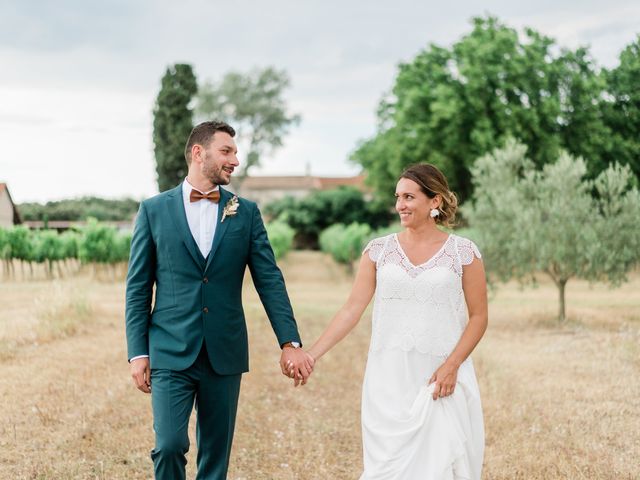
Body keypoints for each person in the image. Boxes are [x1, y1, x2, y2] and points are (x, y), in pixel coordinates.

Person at [125, 120, 313, 480]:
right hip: (169, 348)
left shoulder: (246, 212)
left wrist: (290, 342)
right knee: (167, 445)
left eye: (235, 152)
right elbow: (137, 288)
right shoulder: (153, 210)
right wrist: (138, 352)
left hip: (224, 352)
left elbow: (269, 281)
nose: (235, 160)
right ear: (199, 153)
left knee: (215, 457)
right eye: (227, 151)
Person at [306, 163, 487, 479]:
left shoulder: (463, 253)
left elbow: (479, 317)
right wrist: (312, 354)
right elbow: (352, 309)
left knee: (440, 465)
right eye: (398, 197)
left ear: (435, 201)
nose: (399, 205)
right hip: (388, 377)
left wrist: (451, 366)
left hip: (440, 375)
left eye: (409, 197)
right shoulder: (378, 251)